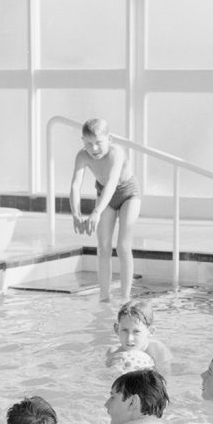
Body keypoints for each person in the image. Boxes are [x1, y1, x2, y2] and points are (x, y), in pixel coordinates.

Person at [69, 118, 140, 303]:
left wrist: (96, 211)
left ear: (110, 139)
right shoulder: (82, 156)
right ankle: (104, 298)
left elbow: (111, 183)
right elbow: (76, 186)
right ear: (82, 141)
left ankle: (125, 298)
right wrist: (76, 214)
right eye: (88, 144)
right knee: (103, 248)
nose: (93, 149)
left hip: (128, 194)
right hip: (104, 196)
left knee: (123, 247)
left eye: (98, 143)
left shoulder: (117, 153)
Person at [106, 300, 172, 375]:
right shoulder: (114, 353)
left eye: (136, 331)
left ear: (150, 331)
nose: (129, 338)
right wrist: (113, 369)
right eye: (124, 330)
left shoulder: (158, 350)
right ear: (117, 329)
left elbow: (165, 379)